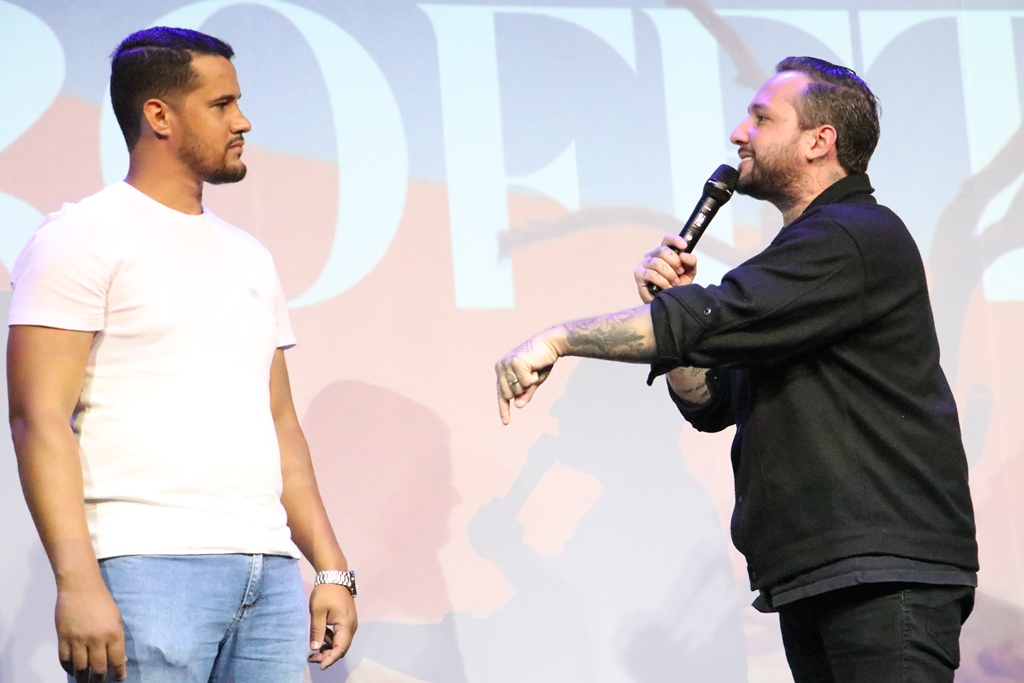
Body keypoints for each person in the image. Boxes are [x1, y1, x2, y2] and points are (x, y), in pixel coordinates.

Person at [494, 56, 977, 682]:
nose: (738, 133)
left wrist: (557, 339)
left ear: (819, 141)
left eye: (761, 118)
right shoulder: (806, 256)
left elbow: (714, 317)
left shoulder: (854, 235)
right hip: (821, 570)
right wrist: (676, 316)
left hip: (882, 570)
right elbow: (711, 402)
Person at [8, 27, 356, 683]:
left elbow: (280, 422)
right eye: (222, 104)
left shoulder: (250, 255)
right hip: (145, 567)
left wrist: (331, 567)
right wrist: (76, 579)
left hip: (267, 572)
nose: (243, 121)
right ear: (159, 116)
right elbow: (37, 417)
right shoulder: (80, 238)